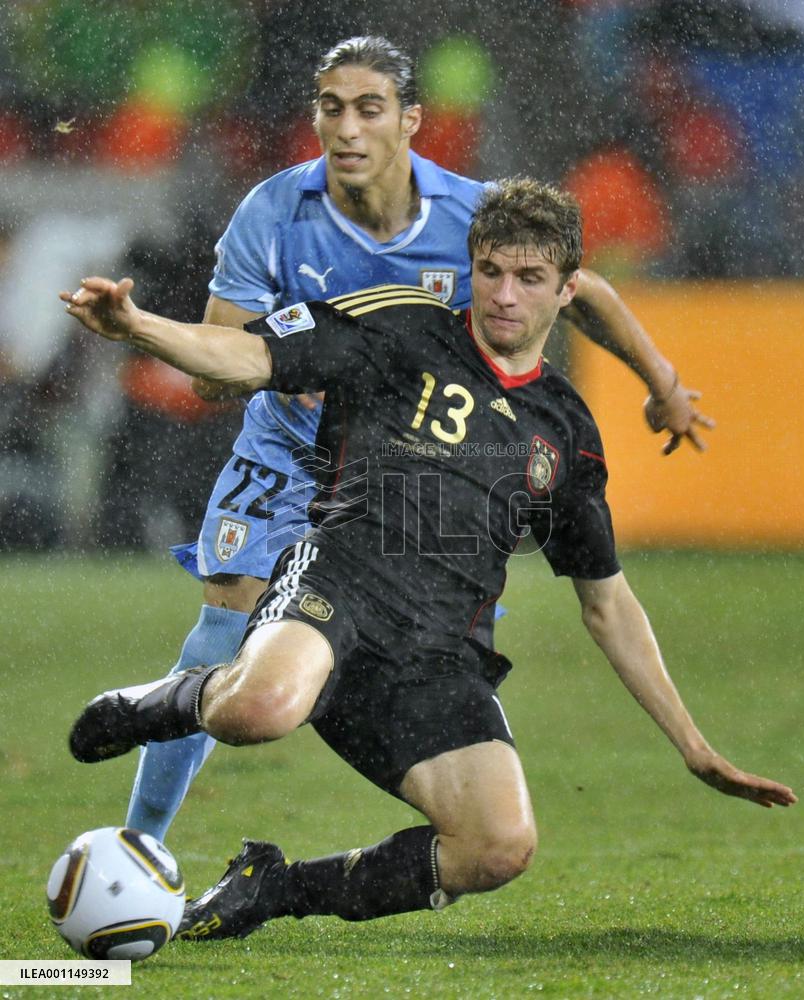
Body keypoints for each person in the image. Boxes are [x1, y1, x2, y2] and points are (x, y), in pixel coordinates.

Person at [63, 178, 794, 941]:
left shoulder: (564, 432)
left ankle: (272, 890)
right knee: (258, 710)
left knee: (499, 847)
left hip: (441, 657)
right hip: (337, 589)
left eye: (530, 279)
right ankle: (153, 706)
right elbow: (246, 357)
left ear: (568, 288)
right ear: (471, 265)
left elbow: (606, 600)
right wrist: (139, 327)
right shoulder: (400, 327)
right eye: (490, 272)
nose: (504, 295)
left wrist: (695, 747)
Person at [126, 35, 715, 845]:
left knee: (422, 643)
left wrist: (664, 383)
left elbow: (588, 292)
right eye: (332, 108)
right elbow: (214, 367)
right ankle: (141, 845)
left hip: (402, 462)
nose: (348, 129)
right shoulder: (272, 211)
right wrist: (270, 368)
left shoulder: (470, 212)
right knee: (225, 624)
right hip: (290, 449)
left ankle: (444, 773)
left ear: (410, 122)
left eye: (370, 109)